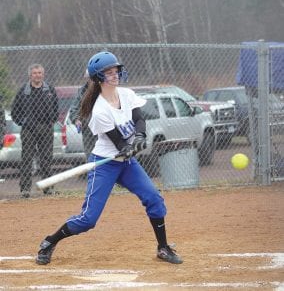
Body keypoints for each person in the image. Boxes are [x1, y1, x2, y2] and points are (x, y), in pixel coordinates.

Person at [35, 51, 183, 265]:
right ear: (98, 78)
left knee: (154, 199)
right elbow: (119, 142)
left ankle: (163, 247)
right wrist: (129, 147)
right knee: (88, 220)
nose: (115, 75)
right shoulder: (99, 110)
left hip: (126, 163)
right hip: (105, 163)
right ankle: (50, 241)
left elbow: (139, 119)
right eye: (109, 72)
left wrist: (140, 136)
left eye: (116, 71)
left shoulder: (127, 94)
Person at [11, 64, 59, 198]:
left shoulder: (50, 90)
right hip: (28, 130)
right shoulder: (23, 91)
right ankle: (25, 190)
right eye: (34, 73)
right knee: (26, 159)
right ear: (30, 75)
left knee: (46, 159)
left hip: (46, 128)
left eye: (39, 73)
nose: (37, 75)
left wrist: (52, 120)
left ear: (43, 74)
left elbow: (56, 108)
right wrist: (24, 122)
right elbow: (15, 111)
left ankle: (48, 188)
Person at [69, 70, 98, 159]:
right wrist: (76, 119)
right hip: (88, 130)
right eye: (89, 78)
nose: (91, 81)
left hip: (103, 129)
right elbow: (74, 109)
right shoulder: (81, 92)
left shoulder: (104, 90)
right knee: (91, 158)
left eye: (94, 78)